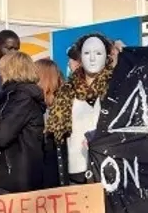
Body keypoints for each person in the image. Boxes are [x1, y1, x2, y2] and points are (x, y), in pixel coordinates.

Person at [47, 34, 113, 185]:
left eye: (98, 53)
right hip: (75, 170)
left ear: (107, 57)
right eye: (87, 53)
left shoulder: (116, 89)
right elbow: (55, 135)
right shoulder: (66, 91)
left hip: (108, 169)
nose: (92, 58)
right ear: (80, 58)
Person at [0, 52, 58, 192]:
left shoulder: (21, 97)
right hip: (22, 171)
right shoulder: (18, 95)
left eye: (2, 70)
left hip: (18, 174)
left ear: (10, 70)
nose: (0, 75)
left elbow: (2, 136)